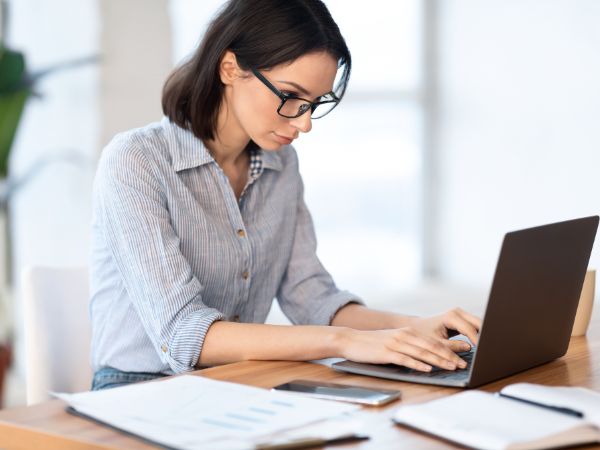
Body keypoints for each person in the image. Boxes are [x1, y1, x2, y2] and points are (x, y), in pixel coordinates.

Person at [89, 0, 481, 391]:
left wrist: (413, 326)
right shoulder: (136, 161)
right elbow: (184, 334)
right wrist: (346, 342)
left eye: (314, 103)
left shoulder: (281, 165)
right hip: (138, 389)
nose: (304, 122)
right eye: (291, 96)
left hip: (236, 385)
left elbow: (311, 297)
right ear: (230, 68)